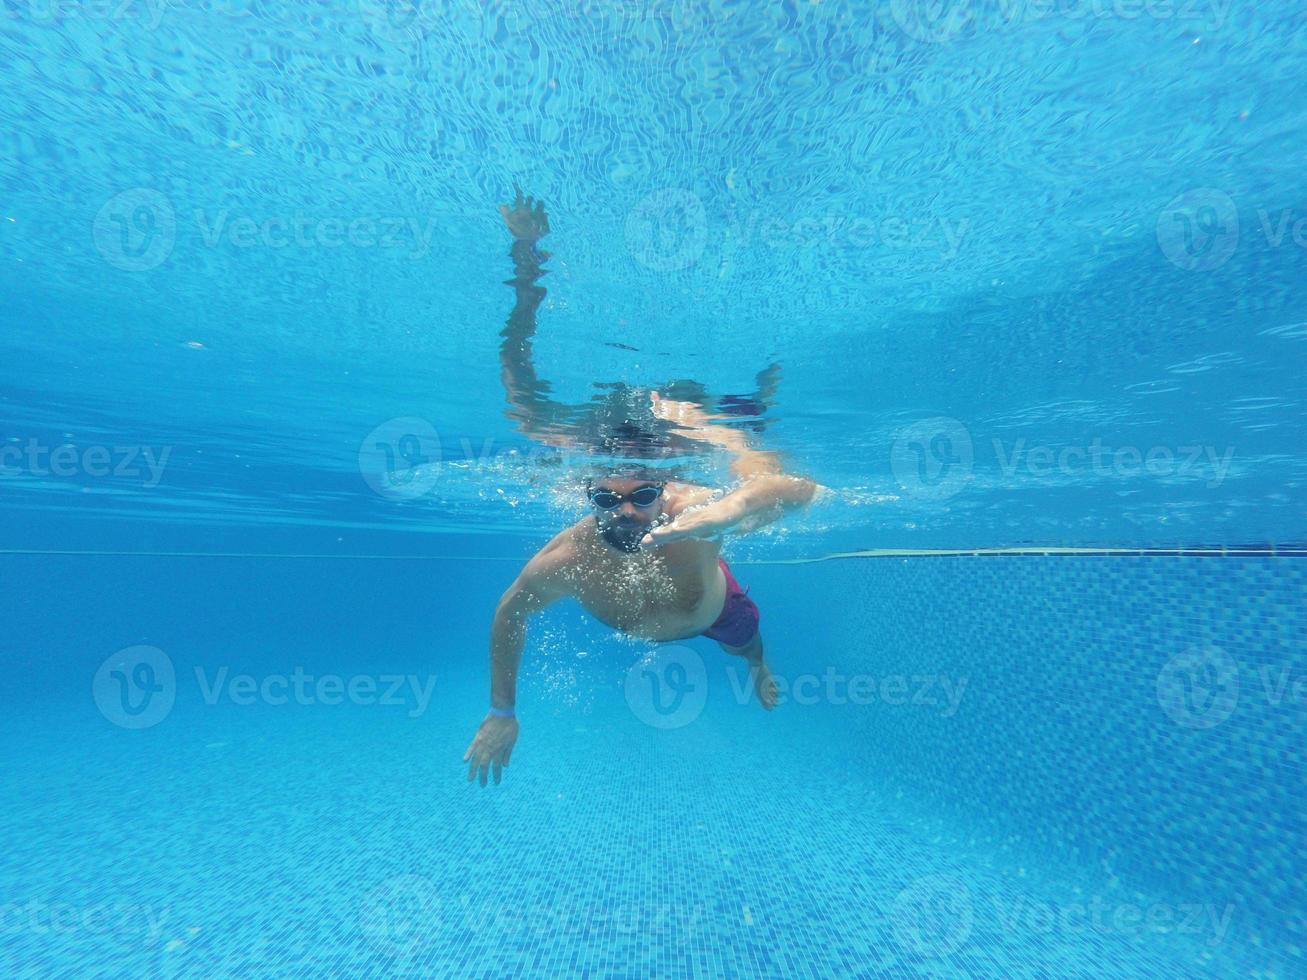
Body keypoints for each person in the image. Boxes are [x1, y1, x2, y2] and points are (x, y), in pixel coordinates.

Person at [463, 189, 819, 786]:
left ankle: (759, 667)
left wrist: (728, 509)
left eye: (643, 496)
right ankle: (531, 263)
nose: (624, 511)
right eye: (605, 498)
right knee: (527, 408)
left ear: (666, 488)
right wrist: (502, 711)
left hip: (717, 609)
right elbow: (509, 614)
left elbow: (797, 490)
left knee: (745, 644)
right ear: (587, 493)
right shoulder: (568, 557)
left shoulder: (698, 513)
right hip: (684, 594)